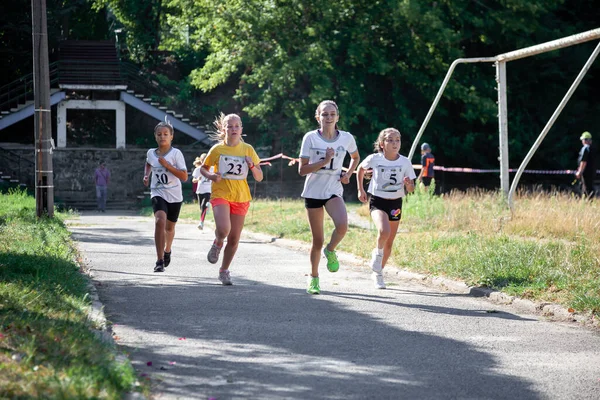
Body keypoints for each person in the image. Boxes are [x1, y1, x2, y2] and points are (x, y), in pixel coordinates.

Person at [299, 100, 360, 295]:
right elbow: (302, 170)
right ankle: (313, 278)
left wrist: (348, 174)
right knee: (317, 240)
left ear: (337, 117)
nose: (329, 117)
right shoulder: (310, 138)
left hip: (333, 190)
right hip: (313, 193)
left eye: (332, 114)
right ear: (318, 117)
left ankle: (331, 250)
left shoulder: (346, 138)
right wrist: (324, 161)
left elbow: (356, 157)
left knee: (342, 226)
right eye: (324, 114)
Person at [200, 113, 263, 285]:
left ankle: (224, 270)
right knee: (223, 229)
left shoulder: (248, 149)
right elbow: (203, 169)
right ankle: (218, 242)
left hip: (241, 196)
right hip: (221, 193)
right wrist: (212, 176)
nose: (233, 129)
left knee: (234, 238)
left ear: (241, 129)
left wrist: (251, 165)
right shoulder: (217, 150)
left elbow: (259, 177)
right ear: (223, 129)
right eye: (230, 126)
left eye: (237, 126)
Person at [357, 128, 416, 289]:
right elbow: (360, 170)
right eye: (390, 140)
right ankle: (376, 254)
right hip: (378, 201)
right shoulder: (374, 159)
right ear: (382, 144)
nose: (395, 143)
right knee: (384, 231)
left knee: (389, 242)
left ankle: (378, 273)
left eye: (397, 139)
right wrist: (361, 189)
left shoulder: (404, 162)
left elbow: (411, 189)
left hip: (396, 203)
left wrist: (409, 184)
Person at [143, 119, 188, 273]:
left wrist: (168, 166)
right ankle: (159, 260)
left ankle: (168, 249)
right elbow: (149, 163)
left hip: (174, 195)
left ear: (171, 137)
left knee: (169, 228)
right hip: (157, 191)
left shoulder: (176, 154)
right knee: (159, 221)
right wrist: (146, 175)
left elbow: (184, 176)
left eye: (165, 134)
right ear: (155, 136)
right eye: (159, 134)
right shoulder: (150, 153)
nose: (162, 137)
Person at [192, 154, 213, 230]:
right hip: (200, 191)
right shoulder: (198, 169)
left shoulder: (213, 168)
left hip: (209, 190)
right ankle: (206, 208)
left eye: (206, 159)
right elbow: (193, 180)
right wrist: (197, 179)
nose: (204, 161)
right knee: (201, 207)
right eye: (203, 160)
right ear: (200, 161)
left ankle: (201, 222)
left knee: (204, 205)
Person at [575, 131, 596, 198]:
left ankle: (587, 202)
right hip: (592, 172)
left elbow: (583, 161)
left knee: (585, 188)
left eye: (582, 140)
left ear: (585, 140)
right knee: (590, 187)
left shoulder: (585, 148)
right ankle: (590, 201)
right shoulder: (592, 148)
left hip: (586, 172)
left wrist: (580, 172)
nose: (582, 141)